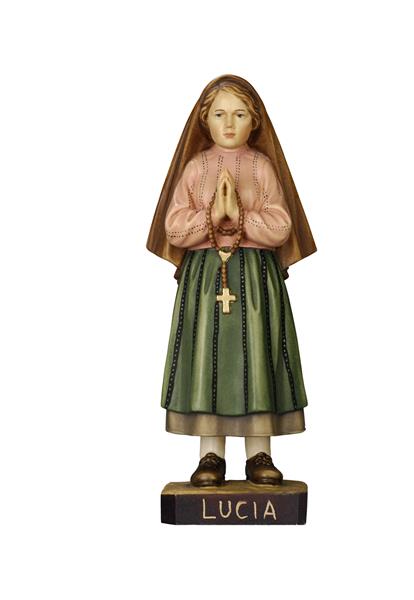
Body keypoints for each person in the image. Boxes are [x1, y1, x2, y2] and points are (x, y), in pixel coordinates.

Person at [147, 74, 316, 487]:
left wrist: (239, 217)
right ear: (204, 119)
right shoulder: (195, 168)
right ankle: (211, 454)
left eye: (239, 115)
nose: (228, 124)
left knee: (257, 358)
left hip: (256, 279)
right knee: (208, 361)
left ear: (254, 121)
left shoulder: (261, 168)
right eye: (220, 114)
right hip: (207, 279)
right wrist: (212, 217)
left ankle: (260, 452)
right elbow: (174, 228)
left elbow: (280, 226)